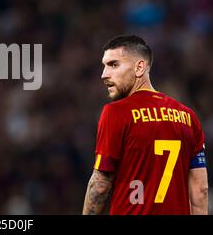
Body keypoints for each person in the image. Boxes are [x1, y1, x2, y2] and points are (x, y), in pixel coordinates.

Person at [82, 35, 208, 215]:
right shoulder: (188, 117)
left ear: (139, 67)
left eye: (114, 65)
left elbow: (100, 185)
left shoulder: (116, 113)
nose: (104, 74)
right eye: (104, 66)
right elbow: (200, 191)